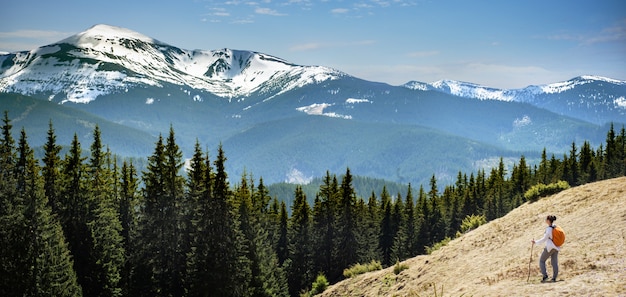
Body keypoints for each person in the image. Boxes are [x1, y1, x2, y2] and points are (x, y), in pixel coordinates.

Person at [532, 215, 560, 282]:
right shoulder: (555, 227)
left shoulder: (548, 229)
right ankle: (554, 278)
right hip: (556, 247)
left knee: (542, 260)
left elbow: (544, 239)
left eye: (546, 219)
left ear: (548, 220)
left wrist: (535, 242)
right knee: (554, 262)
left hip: (550, 247)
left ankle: (545, 276)